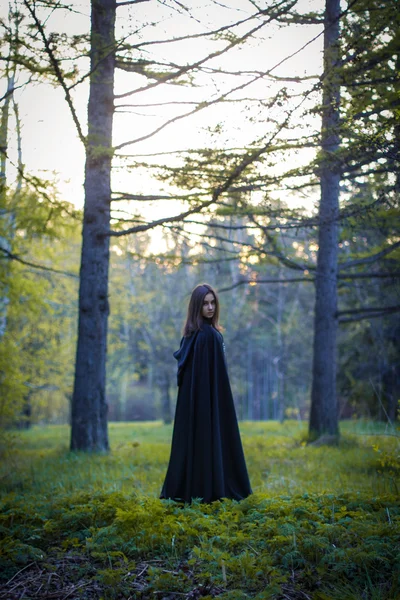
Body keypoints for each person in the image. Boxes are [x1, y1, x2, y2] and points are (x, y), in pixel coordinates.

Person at [160, 283, 252, 503]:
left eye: (213, 303)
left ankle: (192, 489)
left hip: (196, 406)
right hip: (206, 405)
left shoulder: (192, 336)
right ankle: (212, 490)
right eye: (205, 304)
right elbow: (209, 379)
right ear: (196, 307)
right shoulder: (208, 336)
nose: (210, 308)